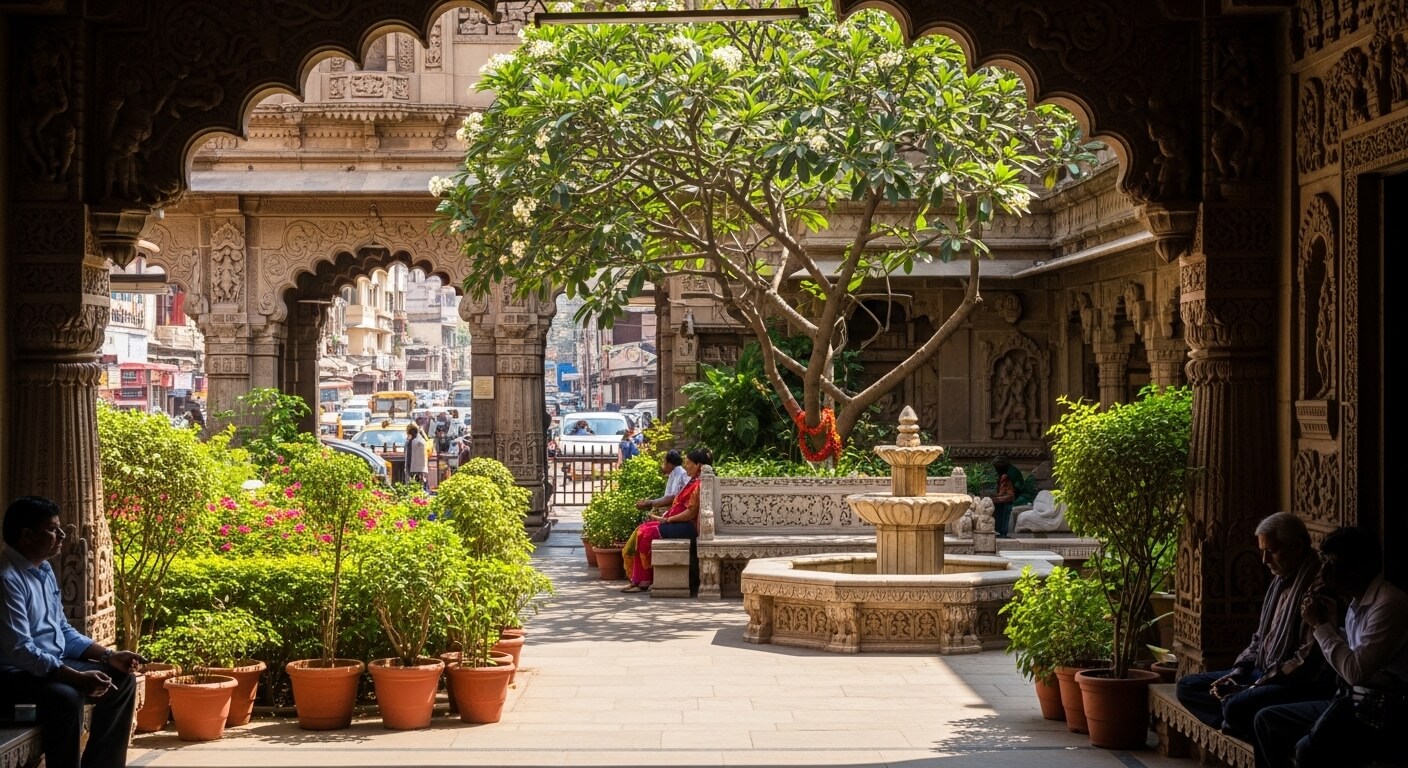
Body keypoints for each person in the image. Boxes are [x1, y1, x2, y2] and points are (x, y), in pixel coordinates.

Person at [0, 496, 143, 768]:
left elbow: (62, 631)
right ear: (27, 536)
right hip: (14, 675)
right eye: (53, 529)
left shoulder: (43, 570)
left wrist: (109, 656)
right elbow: (20, 650)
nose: (62, 535)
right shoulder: (7, 580)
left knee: (121, 680)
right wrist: (76, 677)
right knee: (66, 697)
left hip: (49, 665)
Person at [1253, 527, 1408, 768]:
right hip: (1350, 700)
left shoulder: (1389, 603)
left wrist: (1321, 626)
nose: (1323, 571)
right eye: (1323, 561)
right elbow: (1351, 651)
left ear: (1358, 565)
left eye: (1331, 562)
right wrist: (1330, 627)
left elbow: (1356, 671)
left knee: (1307, 749)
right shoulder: (1356, 602)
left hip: (1378, 711)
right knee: (1266, 720)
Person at [1176, 512, 1334, 738]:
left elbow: (1306, 659)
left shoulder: (1317, 590)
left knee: (1235, 705)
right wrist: (1240, 671)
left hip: (1291, 683)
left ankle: (1238, 717)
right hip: (1262, 670)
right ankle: (1237, 721)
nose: (1264, 560)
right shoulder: (1280, 582)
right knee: (1188, 686)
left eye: (1271, 551)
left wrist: (1254, 685)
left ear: (1297, 547)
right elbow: (1259, 638)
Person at [620, 448, 712, 593]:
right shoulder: (694, 481)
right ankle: (636, 579)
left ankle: (644, 581)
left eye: (688, 463)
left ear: (698, 465)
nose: (686, 465)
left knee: (645, 533)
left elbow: (690, 513)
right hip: (680, 523)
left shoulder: (699, 484)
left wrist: (668, 519)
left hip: (689, 527)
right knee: (643, 528)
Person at [636, 450, 689, 514]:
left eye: (664, 462)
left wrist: (650, 503)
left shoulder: (680, 474)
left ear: (669, 464)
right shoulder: (675, 473)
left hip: (680, 515)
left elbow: (673, 498)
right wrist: (650, 504)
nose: (663, 465)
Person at [989, 456, 1023, 538]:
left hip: (1012, 500)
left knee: (1004, 513)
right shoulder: (1006, 474)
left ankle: (1003, 532)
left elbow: (1009, 494)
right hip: (1008, 499)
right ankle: (1001, 532)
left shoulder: (1007, 475)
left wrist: (996, 498)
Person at [404, 423, 428, 489]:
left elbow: (408, 456)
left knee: (413, 486)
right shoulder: (421, 441)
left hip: (413, 468)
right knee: (421, 486)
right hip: (422, 468)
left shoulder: (411, 442)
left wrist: (407, 469)